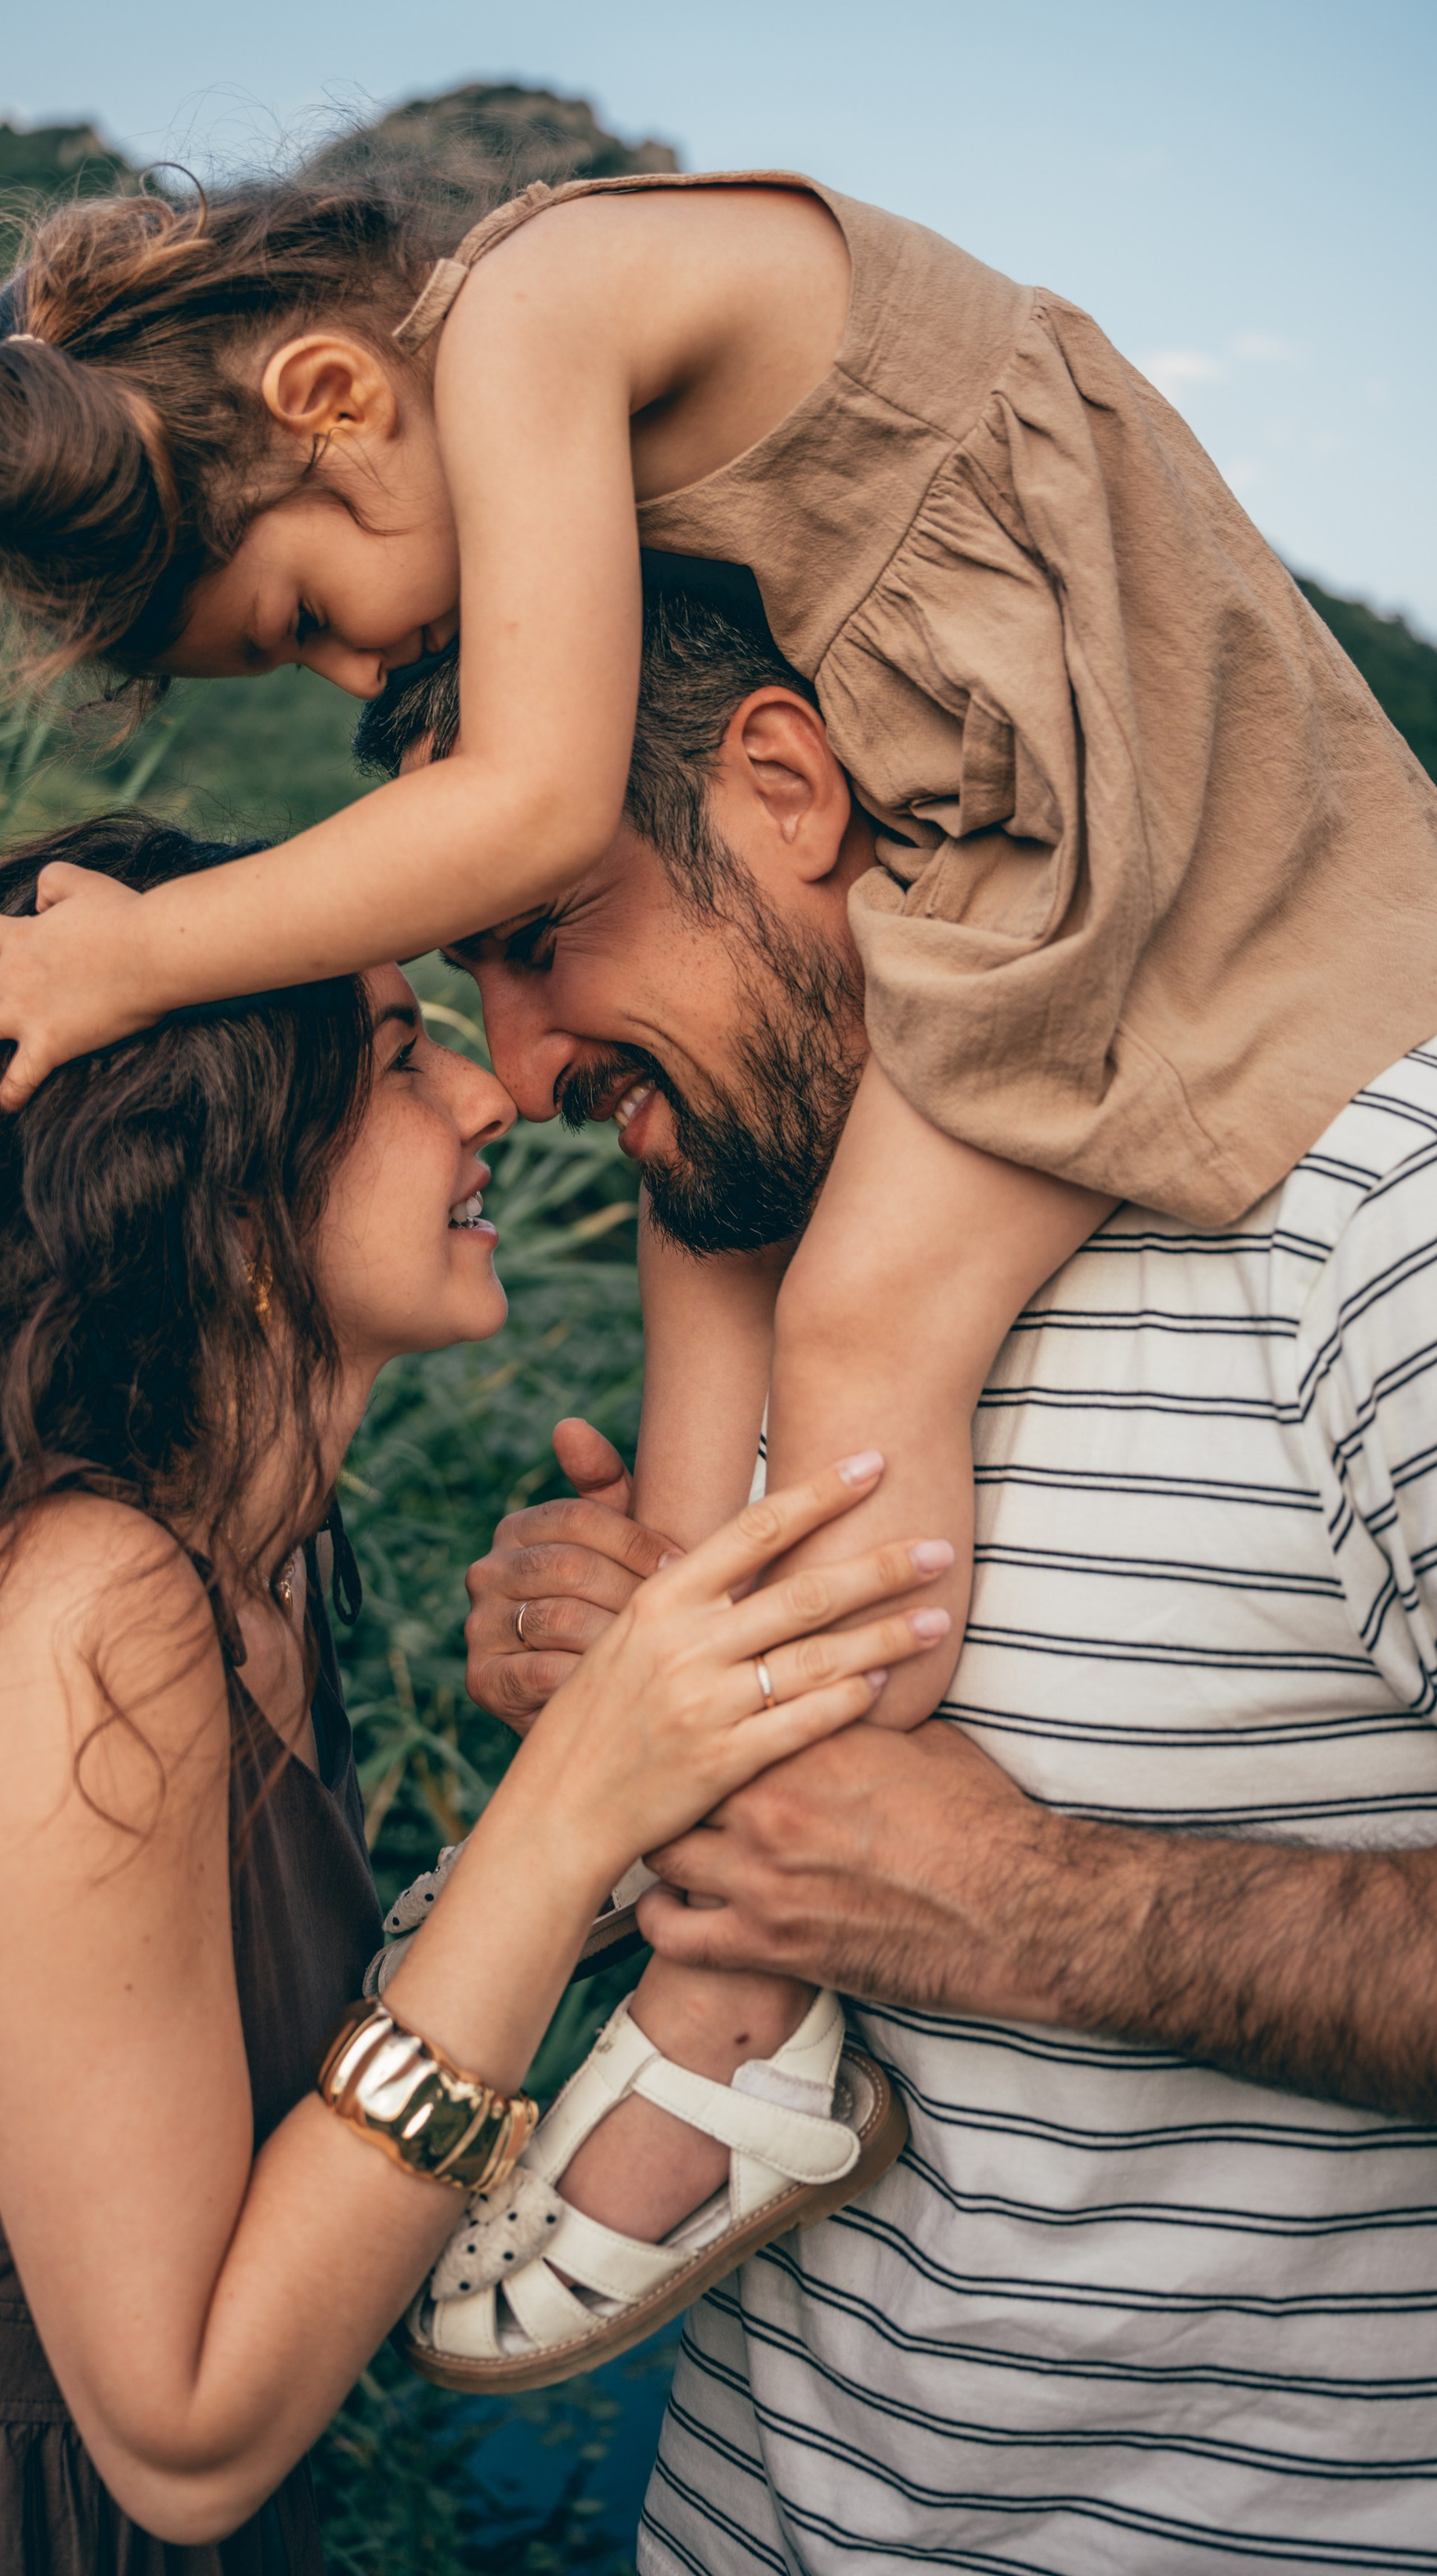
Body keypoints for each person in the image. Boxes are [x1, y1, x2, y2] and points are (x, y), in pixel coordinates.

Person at [0, 164, 1437, 2309]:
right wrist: (635, 1664)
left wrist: (151, 954)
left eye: (303, 618)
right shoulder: (601, 436)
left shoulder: (548, 302)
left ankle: (741, 2014)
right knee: (722, 1283)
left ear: (340, 387)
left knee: (854, 1335)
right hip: (1029, 807)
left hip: (1128, 820)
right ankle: (702, 1778)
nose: (377, 654)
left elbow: (540, 793)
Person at [0, 807, 939, 2576]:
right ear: (213, 1192)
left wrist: (632, 1727)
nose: (489, 1100)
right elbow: (186, 2435)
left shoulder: (251, 1554)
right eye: (393, 1056)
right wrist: (566, 1807)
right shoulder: (74, 1611)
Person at [359, 598, 1437, 2571]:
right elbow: (788, 1900)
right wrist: (614, 1713)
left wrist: (1044, 1910)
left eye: (539, 936)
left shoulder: (1378, 1229)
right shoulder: (783, 1216)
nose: (508, 1069)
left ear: (784, 785)